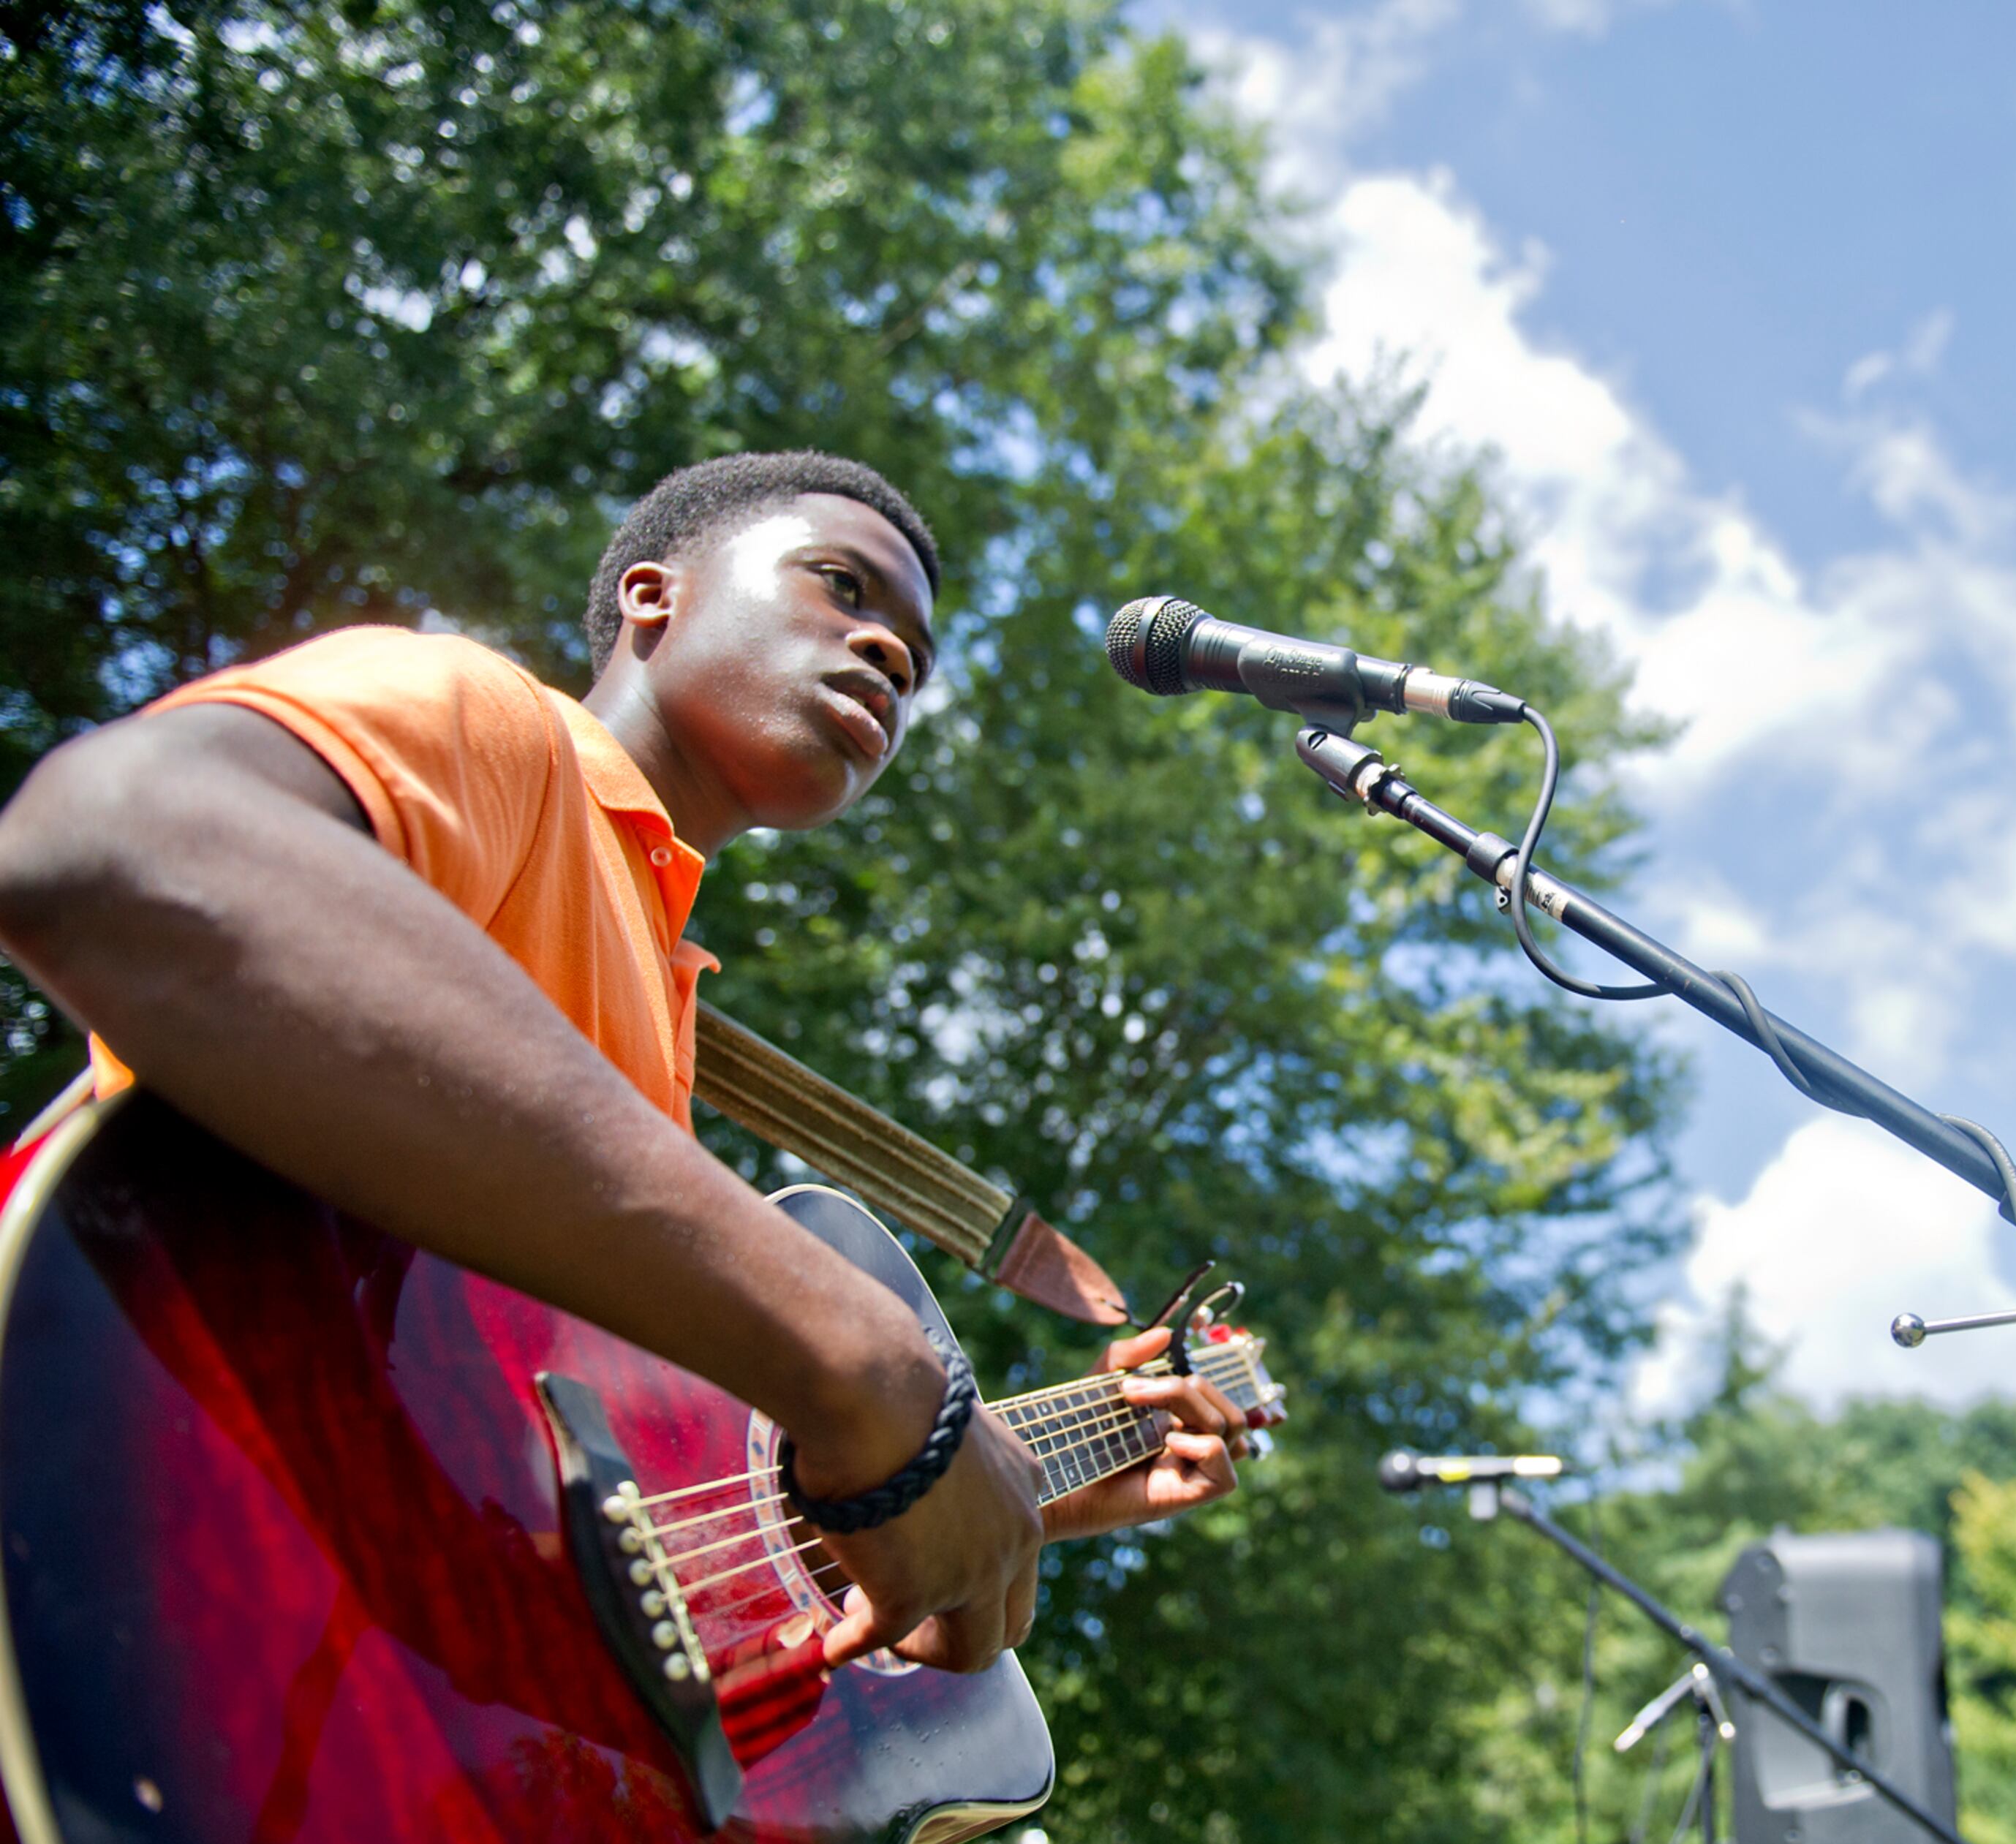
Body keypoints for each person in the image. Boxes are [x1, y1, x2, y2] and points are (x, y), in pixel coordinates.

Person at [0, 450, 1244, 1679]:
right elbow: (120, 845)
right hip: (126, 1533)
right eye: (844, 589)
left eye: (913, 664)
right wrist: (869, 1362)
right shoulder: (491, 722)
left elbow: (546, 1515)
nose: (888, 658)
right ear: (656, 596)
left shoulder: (666, 1016)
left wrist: (955, 1503)